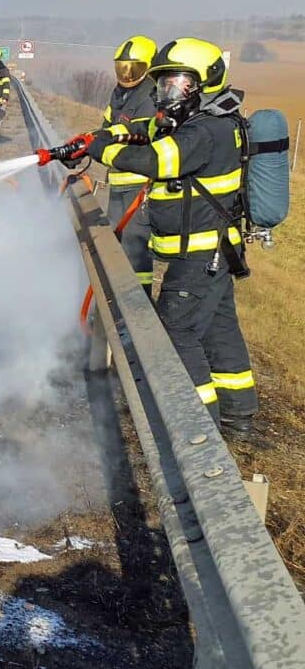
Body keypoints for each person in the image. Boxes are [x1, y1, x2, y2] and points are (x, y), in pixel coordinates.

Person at [85, 38, 257, 432]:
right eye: (163, 84)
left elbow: (156, 160)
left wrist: (102, 149)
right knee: (219, 326)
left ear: (205, 82)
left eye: (177, 84)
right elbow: (151, 128)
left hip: (199, 254)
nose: (167, 94)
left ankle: (196, 426)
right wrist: (118, 132)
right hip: (214, 249)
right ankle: (238, 410)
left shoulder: (204, 132)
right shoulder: (208, 119)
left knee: (177, 329)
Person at [102, 35, 159, 291]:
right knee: (116, 243)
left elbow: (143, 136)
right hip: (117, 180)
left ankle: (140, 307)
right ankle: (118, 297)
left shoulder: (151, 98)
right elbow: (105, 128)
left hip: (139, 186)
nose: (126, 74)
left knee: (135, 248)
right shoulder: (119, 96)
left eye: (132, 68)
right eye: (121, 67)